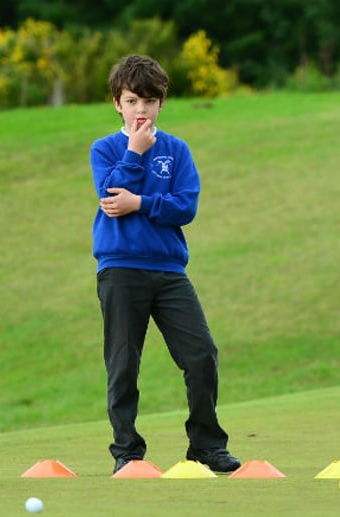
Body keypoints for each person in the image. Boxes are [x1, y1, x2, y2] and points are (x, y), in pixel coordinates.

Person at [89, 54, 240, 475]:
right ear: (117, 103)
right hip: (120, 269)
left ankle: (206, 445)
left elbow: (184, 206)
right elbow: (109, 194)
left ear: (161, 104)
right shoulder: (104, 148)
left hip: (170, 272)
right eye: (133, 100)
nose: (141, 110)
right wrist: (135, 153)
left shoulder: (176, 150)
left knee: (201, 354)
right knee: (123, 362)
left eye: (150, 101)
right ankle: (127, 451)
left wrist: (139, 202)